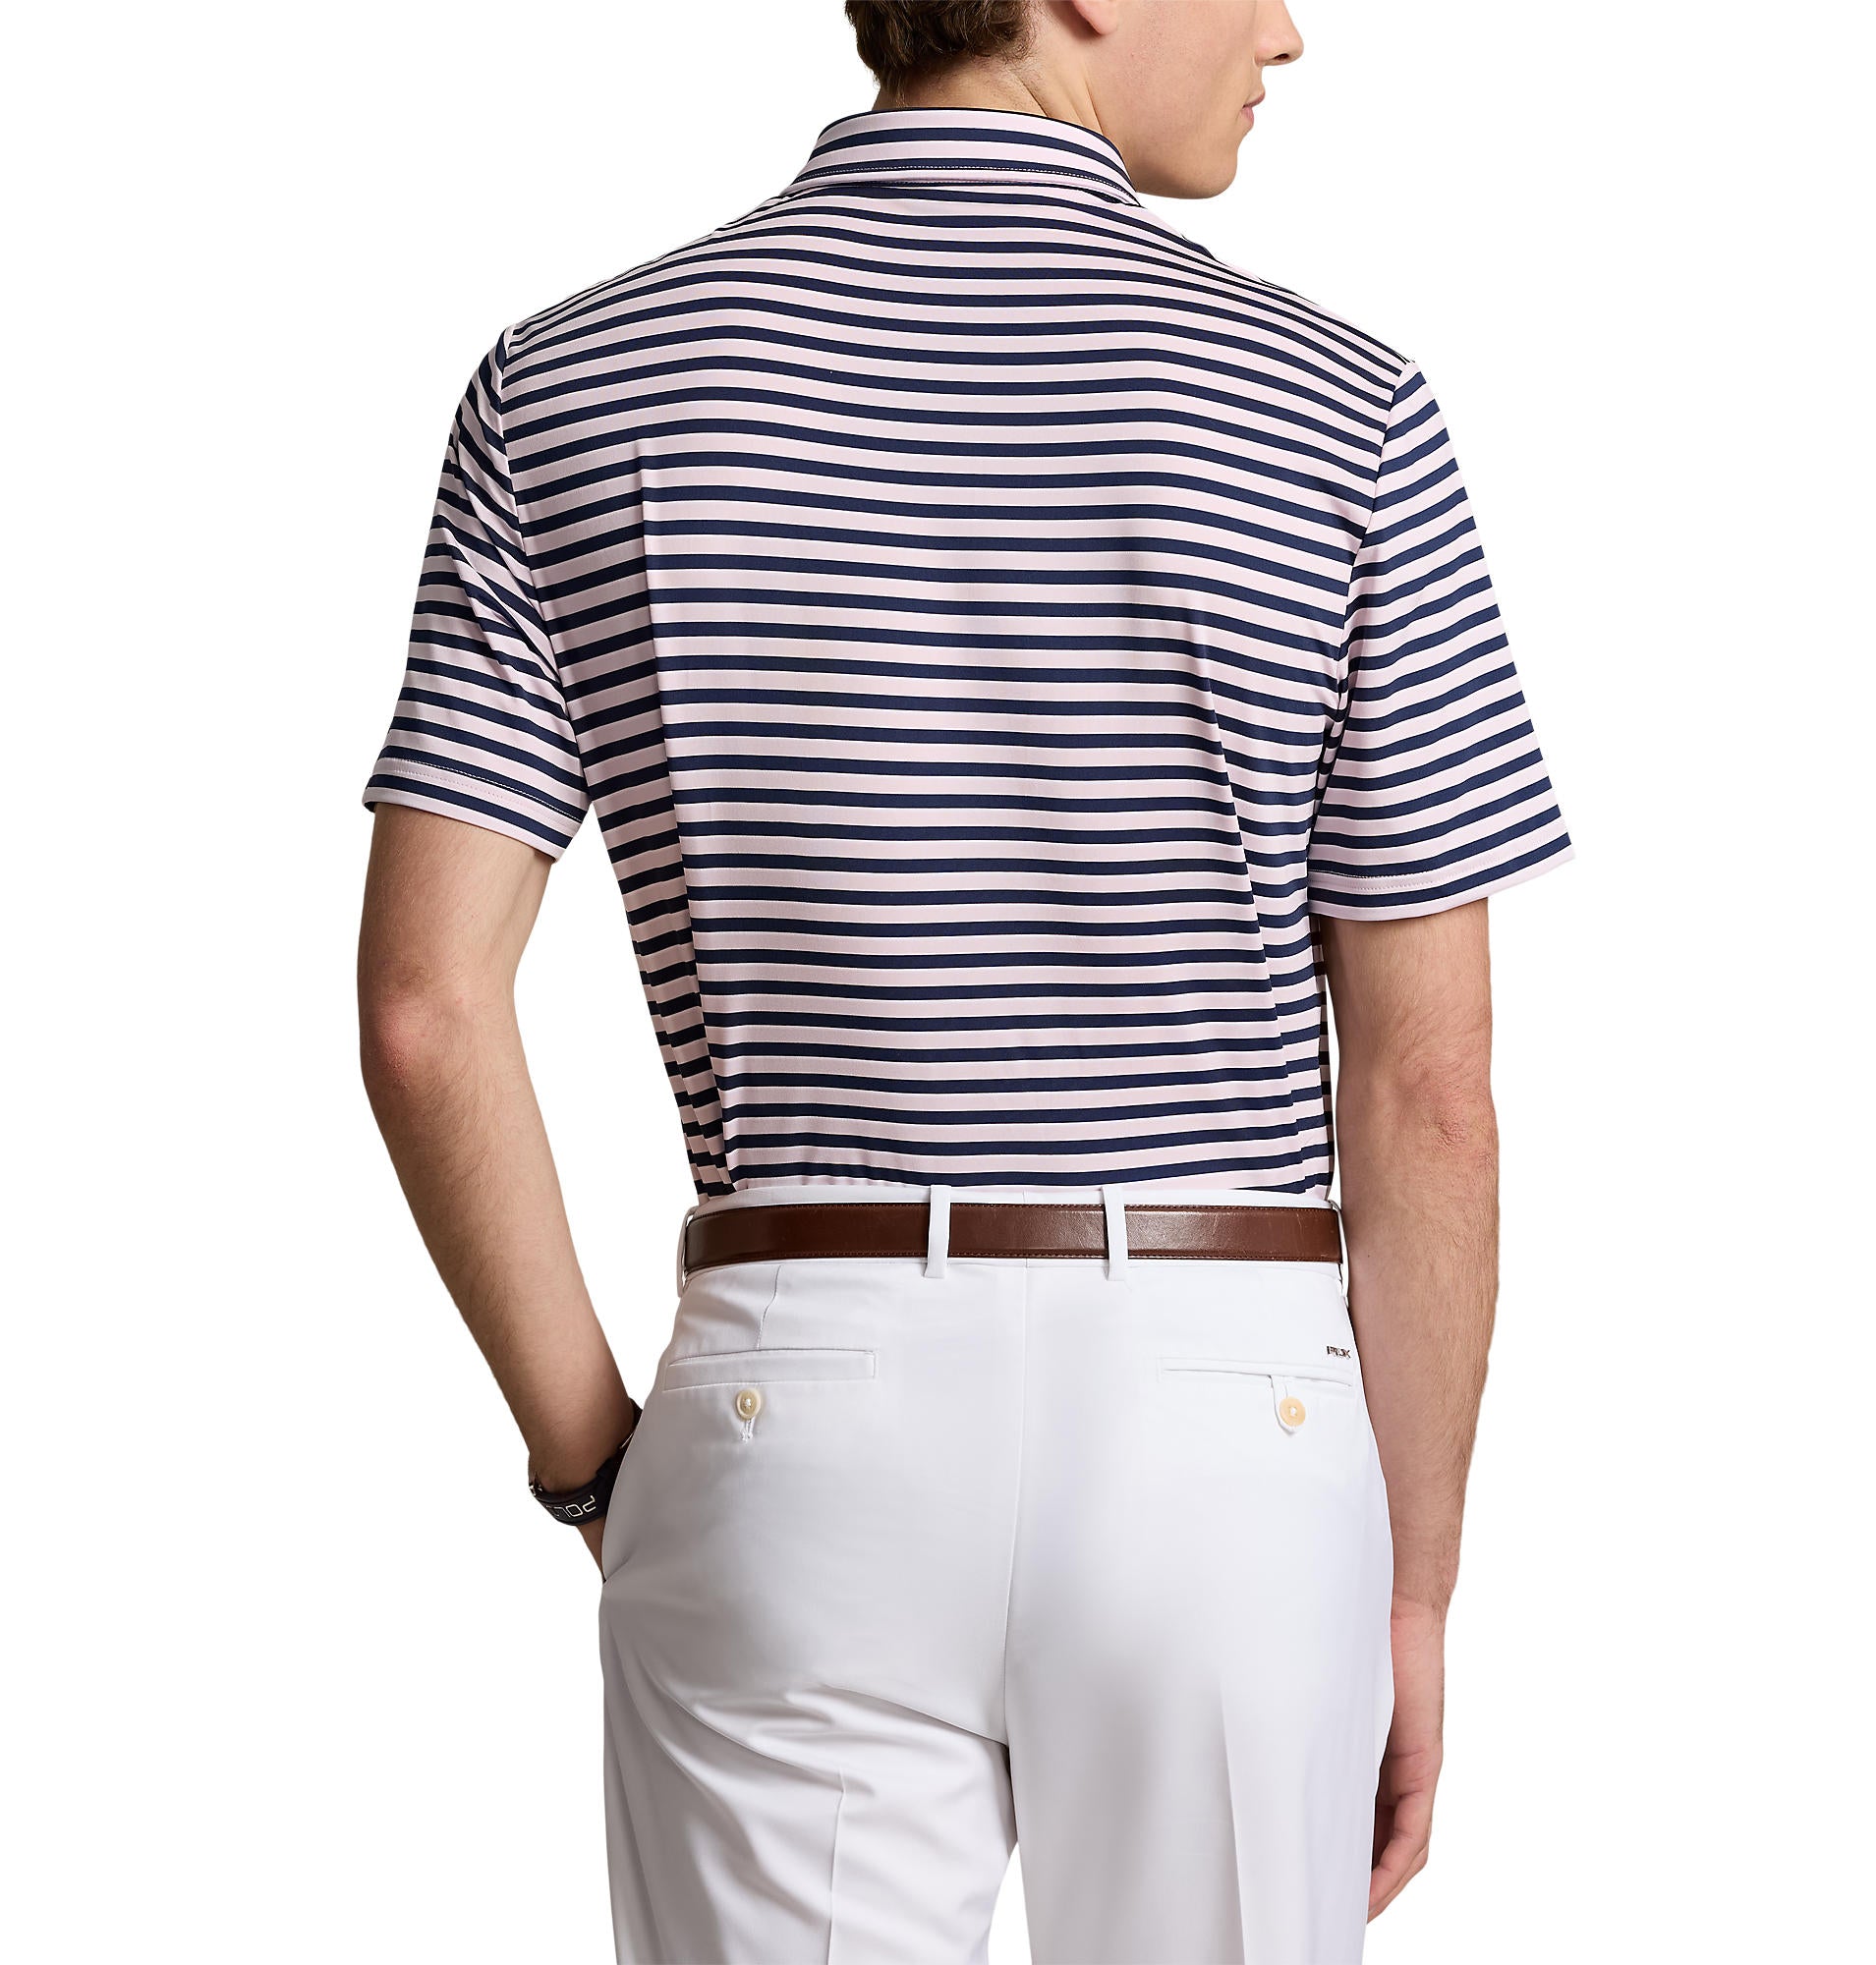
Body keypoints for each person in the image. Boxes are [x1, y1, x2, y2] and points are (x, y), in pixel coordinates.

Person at [357, 1, 1570, 1957]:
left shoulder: (571, 381)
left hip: (794, 1390)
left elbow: (426, 1010)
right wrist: (1410, 1590)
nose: (1288, 30)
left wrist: (598, 1468)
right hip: (1224, 1415)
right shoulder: (1341, 405)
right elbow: (1429, 1093)